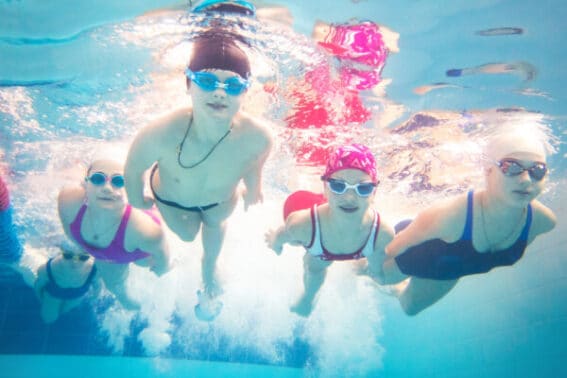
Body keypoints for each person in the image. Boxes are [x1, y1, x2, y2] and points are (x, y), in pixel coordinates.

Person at [124, 31, 272, 321]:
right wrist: (134, 198)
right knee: (189, 235)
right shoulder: (162, 132)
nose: (219, 92)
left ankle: (209, 269)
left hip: (221, 201)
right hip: (172, 200)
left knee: (214, 235)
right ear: (189, 84)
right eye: (206, 81)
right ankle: (169, 253)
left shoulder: (259, 137)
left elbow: (255, 163)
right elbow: (133, 167)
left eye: (232, 85)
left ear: (245, 91)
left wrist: (254, 187)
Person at [380, 128, 557, 315]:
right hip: (413, 252)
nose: (526, 180)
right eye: (511, 167)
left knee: (409, 308)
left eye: (537, 170)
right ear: (488, 172)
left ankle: (396, 289)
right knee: (376, 275)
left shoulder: (542, 222)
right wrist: (369, 266)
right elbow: (392, 249)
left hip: (448, 270)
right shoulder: (451, 214)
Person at [265, 144, 394, 317]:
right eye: (338, 186)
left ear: (374, 192)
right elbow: (283, 234)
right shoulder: (303, 224)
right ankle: (308, 299)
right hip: (320, 243)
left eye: (363, 189)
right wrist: (275, 242)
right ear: (325, 188)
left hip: (356, 245)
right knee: (314, 267)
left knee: (370, 259)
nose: (349, 198)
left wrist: (376, 271)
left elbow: (376, 255)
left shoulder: (382, 232)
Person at [58, 159, 171, 310]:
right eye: (98, 179)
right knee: (114, 286)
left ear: (131, 189)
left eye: (118, 181)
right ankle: (130, 305)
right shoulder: (68, 201)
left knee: (148, 265)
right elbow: (69, 230)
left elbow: (163, 254)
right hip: (111, 255)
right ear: (85, 184)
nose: (107, 188)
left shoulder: (145, 231)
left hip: (140, 252)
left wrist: (162, 268)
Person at [34, 248, 98, 323]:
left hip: (76, 297)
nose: (75, 262)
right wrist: (41, 298)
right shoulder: (49, 268)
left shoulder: (93, 269)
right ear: (62, 254)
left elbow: (98, 286)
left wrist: (94, 298)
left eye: (83, 257)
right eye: (68, 256)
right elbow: (38, 286)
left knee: (65, 310)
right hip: (53, 296)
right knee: (48, 319)